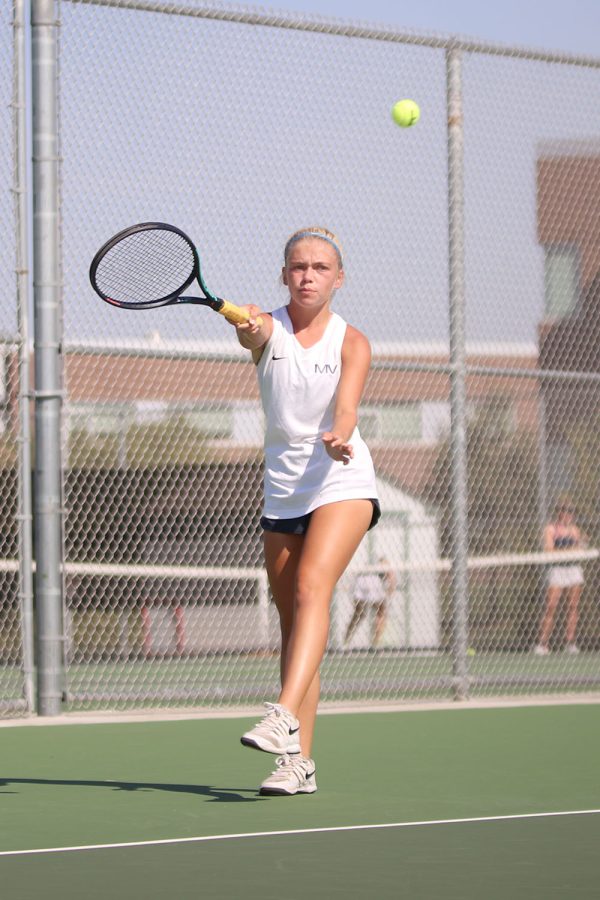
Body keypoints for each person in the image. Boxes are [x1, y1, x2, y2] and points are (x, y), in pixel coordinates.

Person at [228, 226, 379, 796]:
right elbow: (254, 333)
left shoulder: (352, 341)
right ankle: (299, 764)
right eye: (298, 267)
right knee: (296, 631)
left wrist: (340, 436)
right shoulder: (266, 328)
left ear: (338, 279)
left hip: (342, 479)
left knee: (314, 587)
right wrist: (246, 327)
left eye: (320, 267)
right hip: (283, 489)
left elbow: (346, 408)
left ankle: (281, 715)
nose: (308, 275)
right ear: (284, 275)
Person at [534, 499, 586, 656]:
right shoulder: (550, 529)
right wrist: (571, 549)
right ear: (559, 512)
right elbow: (550, 550)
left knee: (573, 606)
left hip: (573, 569)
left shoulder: (575, 530)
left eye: (571, 511)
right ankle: (543, 644)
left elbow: (579, 548)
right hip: (557, 570)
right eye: (566, 511)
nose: (569, 515)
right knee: (551, 606)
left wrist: (576, 547)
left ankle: (570, 642)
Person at [344, 557, 396, 648]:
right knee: (380, 613)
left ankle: (346, 641)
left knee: (359, 614)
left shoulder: (375, 563)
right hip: (371, 582)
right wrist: (390, 589)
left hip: (362, 581)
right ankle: (375, 643)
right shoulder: (385, 563)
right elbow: (391, 577)